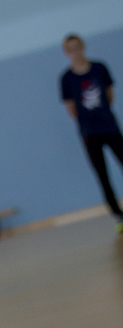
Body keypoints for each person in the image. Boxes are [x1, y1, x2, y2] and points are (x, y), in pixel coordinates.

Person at [60, 34, 123, 233]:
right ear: (67, 53)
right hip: (89, 133)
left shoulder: (99, 68)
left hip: (110, 127)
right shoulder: (66, 79)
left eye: (77, 47)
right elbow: (71, 108)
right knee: (102, 175)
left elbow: (109, 95)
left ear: (83, 47)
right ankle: (118, 215)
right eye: (71, 49)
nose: (75, 52)